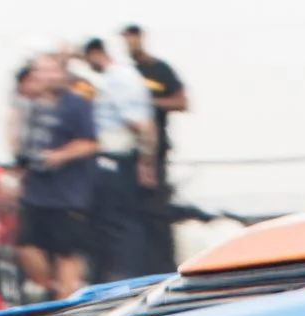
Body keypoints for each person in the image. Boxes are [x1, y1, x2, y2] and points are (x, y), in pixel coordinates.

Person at [14, 53, 99, 300]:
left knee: (67, 252)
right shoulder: (29, 106)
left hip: (67, 193)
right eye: (42, 71)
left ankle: (66, 302)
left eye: (53, 70)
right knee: (25, 245)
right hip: (35, 191)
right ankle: (46, 286)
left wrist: (60, 156)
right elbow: (20, 147)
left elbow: (90, 143)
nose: (48, 76)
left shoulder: (76, 104)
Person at [82, 37, 154, 280]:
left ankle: (128, 276)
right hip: (116, 159)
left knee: (120, 223)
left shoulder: (119, 79)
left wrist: (145, 161)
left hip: (117, 159)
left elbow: (139, 123)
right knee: (115, 222)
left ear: (95, 53)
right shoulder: (120, 77)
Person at [121, 25, 187, 274]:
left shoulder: (160, 70)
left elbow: (182, 101)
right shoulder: (123, 73)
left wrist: (147, 102)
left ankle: (165, 267)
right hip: (129, 155)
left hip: (156, 154)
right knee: (132, 215)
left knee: (157, 212)